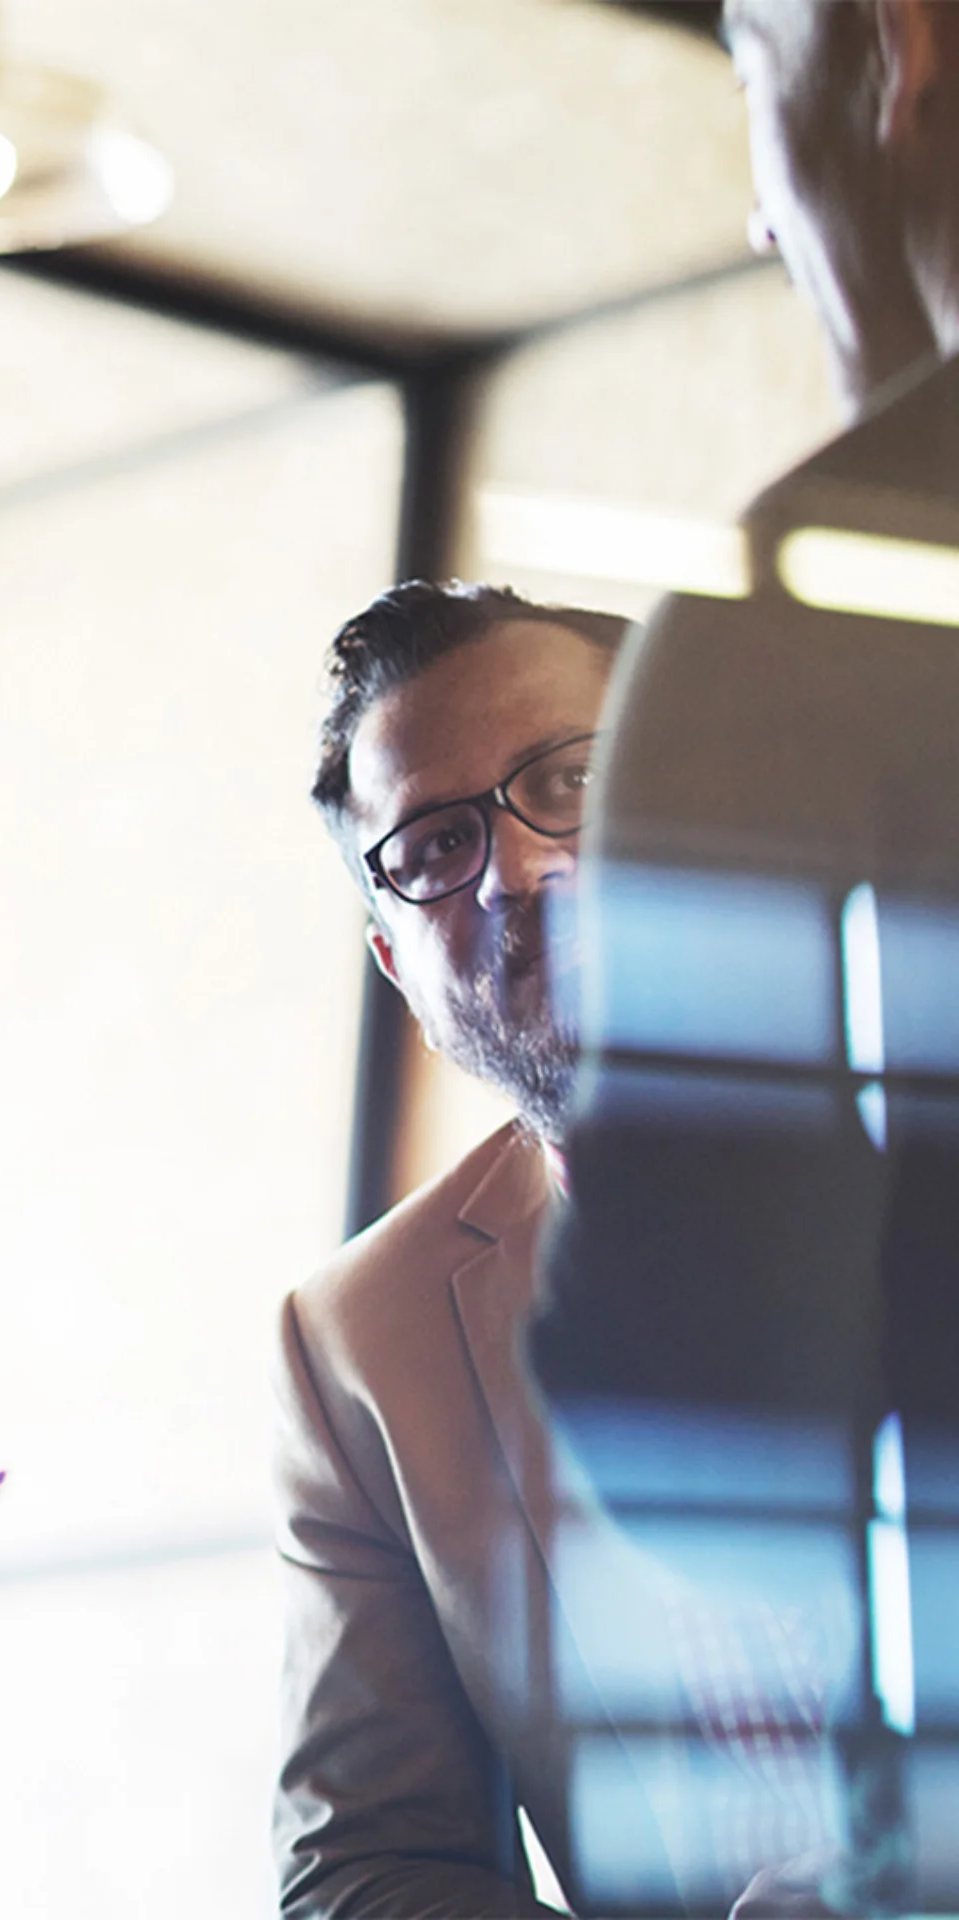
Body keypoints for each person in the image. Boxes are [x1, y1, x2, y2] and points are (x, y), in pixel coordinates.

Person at [526, 1, 959, 1908]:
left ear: (897, 44)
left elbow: (706, 1393)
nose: (768, 212)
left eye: (752, 71)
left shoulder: (820, 607)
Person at [273, 582, 659, 1918]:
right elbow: (367, 1869)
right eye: (436, 847)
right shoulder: (356, 1342)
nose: (524, 865)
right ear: (394, 960)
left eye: (571, 777)